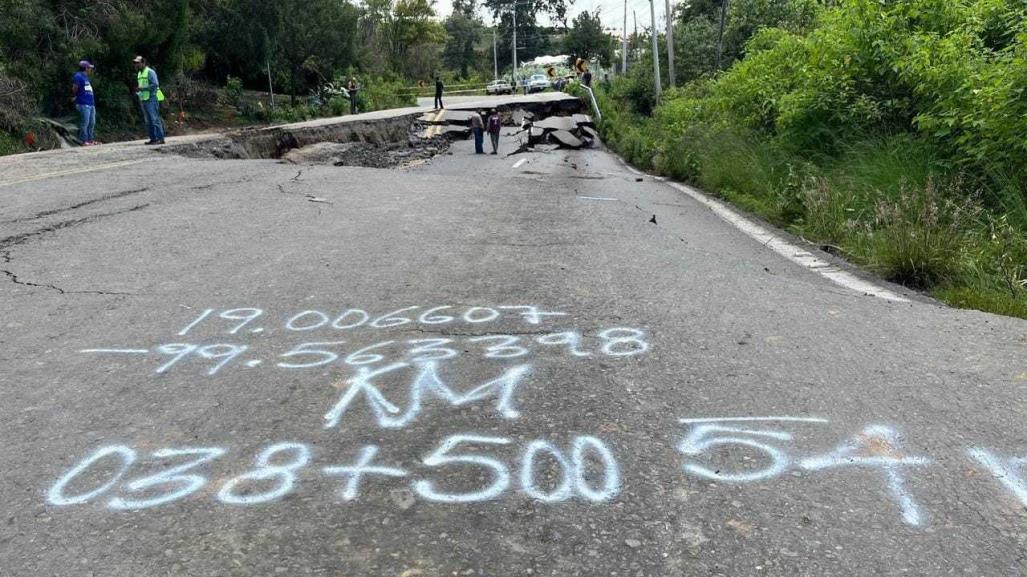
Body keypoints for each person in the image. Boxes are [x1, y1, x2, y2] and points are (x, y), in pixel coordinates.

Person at [133, 56, 165, 145]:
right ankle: (153, 139)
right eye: (135, 63)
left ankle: (159, 138)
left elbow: (155, 85)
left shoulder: (150, 72)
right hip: (144, 99)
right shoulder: (140, 73)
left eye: (138, 63)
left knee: (153, 118)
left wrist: (142, 89)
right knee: (149, 120)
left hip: (152, 98)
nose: (136, 65)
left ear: (143, 63)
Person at [71, 60, 97, 146]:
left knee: (92, 122)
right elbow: (75, 87)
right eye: (89, 68)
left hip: (90, 104)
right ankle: (84, 141)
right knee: (85, 122)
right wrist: (74, 95)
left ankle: (90, 140)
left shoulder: (86, 77)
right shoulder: (78, 76)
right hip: (83, 103)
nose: (90, 69)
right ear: (85, 68)